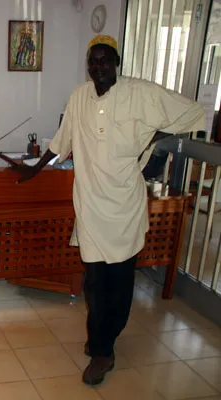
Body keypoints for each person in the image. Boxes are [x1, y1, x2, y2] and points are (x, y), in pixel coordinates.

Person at [12, 35, 205, 386]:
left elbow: (191, 111)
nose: (99, 66)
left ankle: (104, 349)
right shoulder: (79, 97)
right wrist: (35, 168)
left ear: (117, 63)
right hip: (89, 204)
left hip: (124, 207)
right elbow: (62, 140)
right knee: (94, 281)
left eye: (105, 60)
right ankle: (100, 339)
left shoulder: (140, 93)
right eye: (93, 61)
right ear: (89, 65)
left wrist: (152, 137)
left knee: (118, 281)